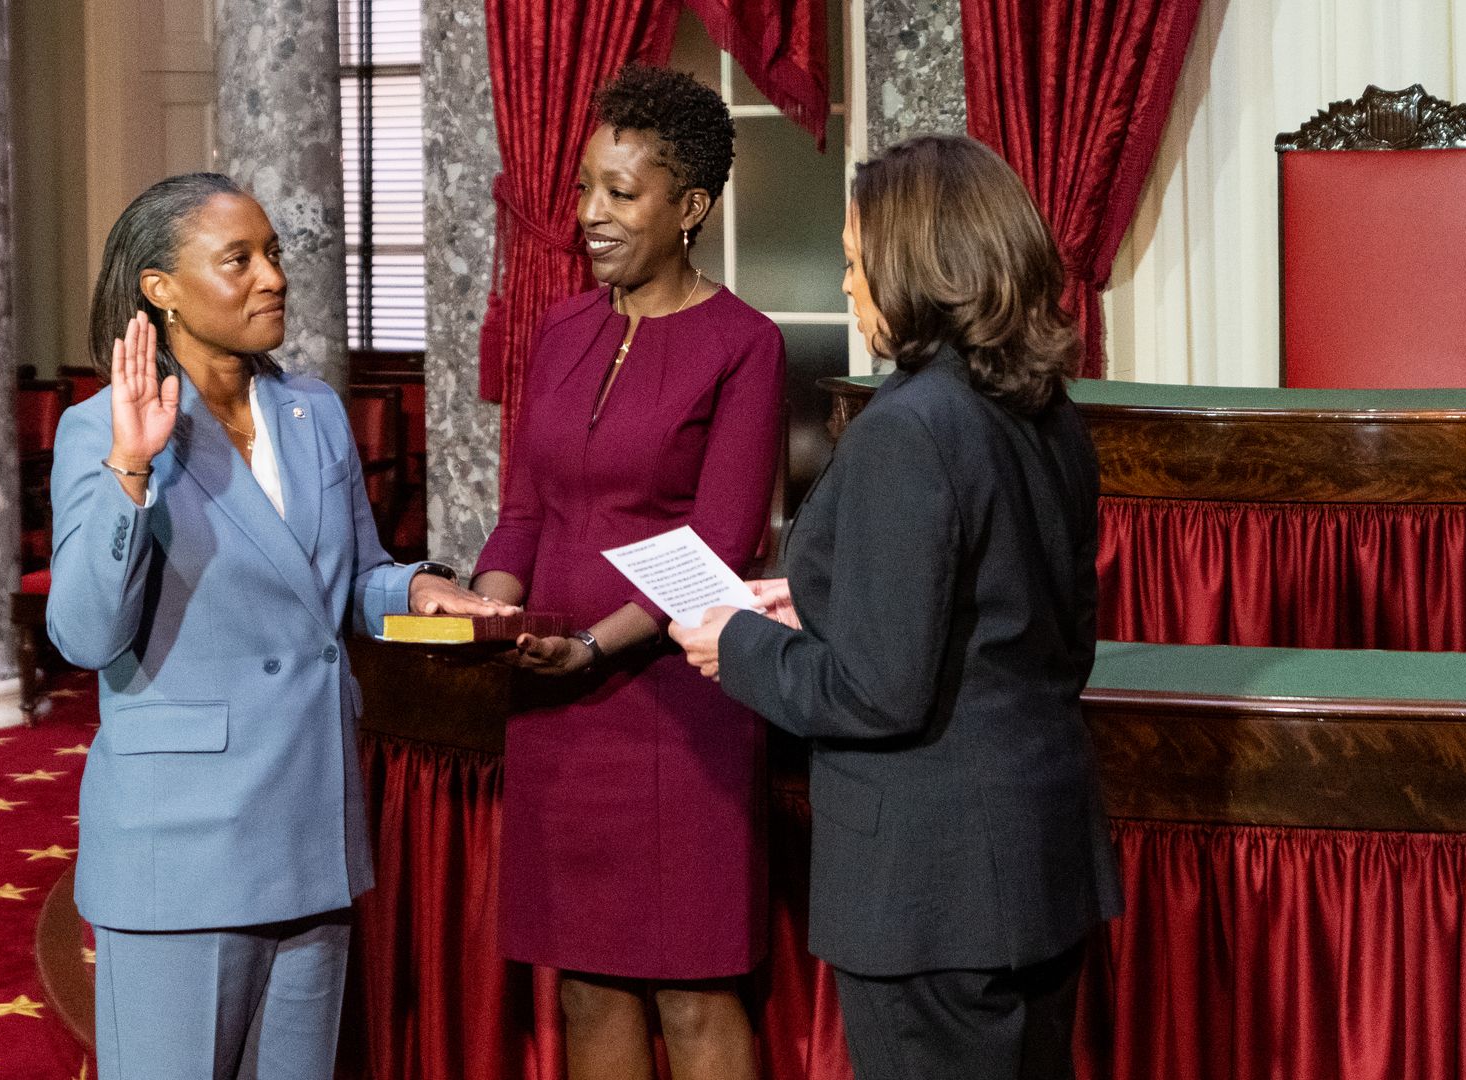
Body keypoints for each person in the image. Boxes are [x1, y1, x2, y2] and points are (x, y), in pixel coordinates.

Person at [669, 134, 1124, 1080]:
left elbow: (878, 693)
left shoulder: (909, 428)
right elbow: (1032, 625)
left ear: (918, 267)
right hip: (1036, 874)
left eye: (852, 263)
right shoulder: (1045, 409)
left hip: (933, 896)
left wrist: (738, 645)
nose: (846, 288)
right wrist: (820, 593)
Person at [46, 172, 510, 1080]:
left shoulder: (316, 414)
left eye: (274, 254)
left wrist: (414, 590)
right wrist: (129, 474)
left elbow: (348, 579)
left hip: (310, 825)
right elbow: (83, 634)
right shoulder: (100, 428)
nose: (272, 276)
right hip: (183, 846)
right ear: (160, 289)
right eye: (238, 259)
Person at [470, 65, 785, 1080]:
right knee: (584, 983)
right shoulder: (560, 327)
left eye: (620, 193)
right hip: (553, 704)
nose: (589, 216)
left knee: (695, 992)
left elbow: (722, 543)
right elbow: (524, 509)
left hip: (678, 704)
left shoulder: (746, 346)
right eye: (581, 189)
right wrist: (490, 611)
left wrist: (595, 645)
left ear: (689, 207)